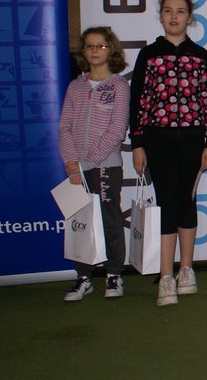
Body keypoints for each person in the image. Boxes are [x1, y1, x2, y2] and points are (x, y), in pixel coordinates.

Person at [130, 0, 207, 307]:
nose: (173, 16)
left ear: (189, 18)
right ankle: (166, 275)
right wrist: (138, 144)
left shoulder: (200, 55)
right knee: (167, 201)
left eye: (180, 11)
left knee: (187, 201)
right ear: (161, 16)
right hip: (158, 139)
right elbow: (138, 101)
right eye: (168, 11)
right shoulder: (149, 55)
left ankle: (186, 270)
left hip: (193, 139)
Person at [58, 27, 129, 301]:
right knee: (81, 220)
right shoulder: (75, 87)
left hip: (106, 165)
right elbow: (64, 127)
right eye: (89, 46)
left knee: (110, 218)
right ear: (83, 51)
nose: (95, 50)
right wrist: (72, 163)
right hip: (77, 168)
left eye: (101, 46)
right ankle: (83, 277)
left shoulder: (119, 86)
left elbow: (117, 129)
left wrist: (90, 159)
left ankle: (114, 274)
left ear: (111, 50)